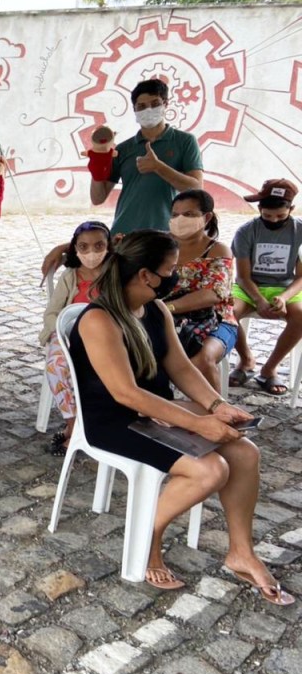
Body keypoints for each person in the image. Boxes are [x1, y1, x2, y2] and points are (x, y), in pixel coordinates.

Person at [69, 229, 292, 603]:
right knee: (211, 469)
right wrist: (198, 423)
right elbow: (126, 394)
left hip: (154, 413)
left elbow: (181, 368)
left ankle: (241, 552)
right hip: (113, 421)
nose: (176, 275)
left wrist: (217, 406)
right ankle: (147, 537)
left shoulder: (154, 309)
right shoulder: (99, 320)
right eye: (171, 268)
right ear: (145, 275)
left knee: (244, 451)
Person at [40, 79, 205, 274]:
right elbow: (98, 197)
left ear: (166, 104)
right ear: (134, 110)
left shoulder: (184, 141)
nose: (148, 110)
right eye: (141, 106)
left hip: (166, 233)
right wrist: (98, 165)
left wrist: (158, 167)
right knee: (123, 293)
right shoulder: (124, 149)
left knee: (157, 291)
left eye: (155, 104)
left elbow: (196, 188)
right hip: (124, 234)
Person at [39, 221, 111, 455]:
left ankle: (92, 425)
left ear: (110, 245)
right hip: (70, 335)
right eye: (84, 247)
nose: (91, 253)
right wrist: (60, 333)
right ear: (76, 249)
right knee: (57, 365)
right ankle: (74, 425)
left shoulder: (117, 273)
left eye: (99, 245)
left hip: (107, 337)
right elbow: (52, 312)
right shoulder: (70, 276)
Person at [230, 179, 302, 396]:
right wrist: (259, 300)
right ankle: (245, 360)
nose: (274, 220)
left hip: (287, 287)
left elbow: (301, 277)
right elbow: (242, 277)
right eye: (267, 216)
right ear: (260, 209)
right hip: (249, 286)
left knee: (301, 317)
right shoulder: (246, 231)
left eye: (281, 216)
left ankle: (269, 369)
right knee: (228, 313)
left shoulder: (300, 231)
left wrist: (284, 297)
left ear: (291, 209)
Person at [164, 189, 237, 391]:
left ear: (206, 217)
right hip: (166, 318)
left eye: (188, 215)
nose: (180, 220)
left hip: (216, 320)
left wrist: (167, 307)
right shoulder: (159, 245)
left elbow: (213, 294)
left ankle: (217, 414)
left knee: (203, 358)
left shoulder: (217, 250)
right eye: (175, 214)